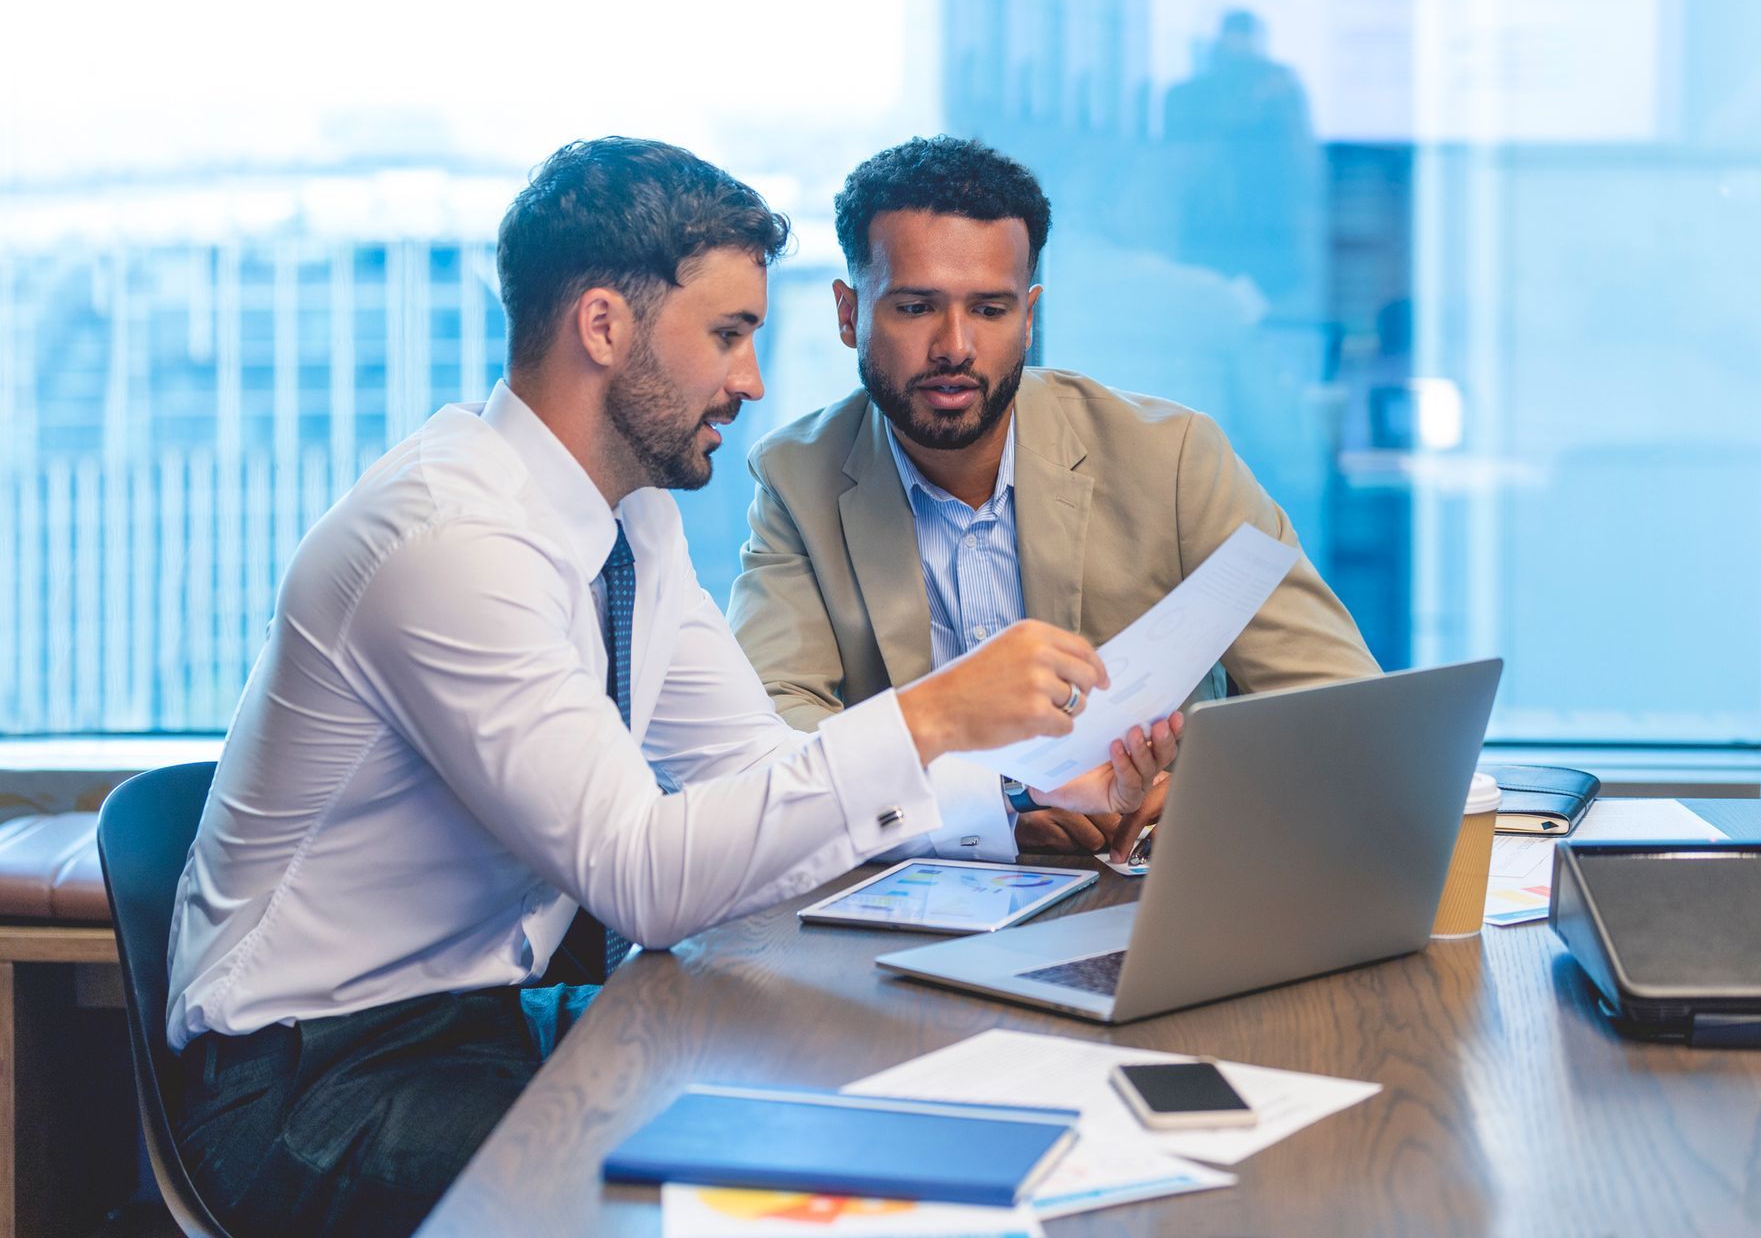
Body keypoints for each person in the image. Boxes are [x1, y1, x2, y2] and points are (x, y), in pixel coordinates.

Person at [164, 137, 1172, 1237]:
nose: (753, 379)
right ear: (604, 325)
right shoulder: (449, 543)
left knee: (875, 1099)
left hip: (486, 1028)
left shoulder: (630, 520)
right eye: (729, 334)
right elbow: (641, 873)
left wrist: (1018, 813)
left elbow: (756, 767)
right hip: (313, 1091)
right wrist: (932, 715)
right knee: (803, 1197)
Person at [727, 136, 1377, 862]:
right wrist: (994, 810)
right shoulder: (797, 477)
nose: (955, 346)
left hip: (1147, 887)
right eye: (915, 307)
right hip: (914, 912)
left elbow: (1342, 707)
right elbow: (769, 740)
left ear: (1029, 317)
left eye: (991, 309)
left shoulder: (1173, 460)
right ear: (850, 314)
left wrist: (1201, 790)